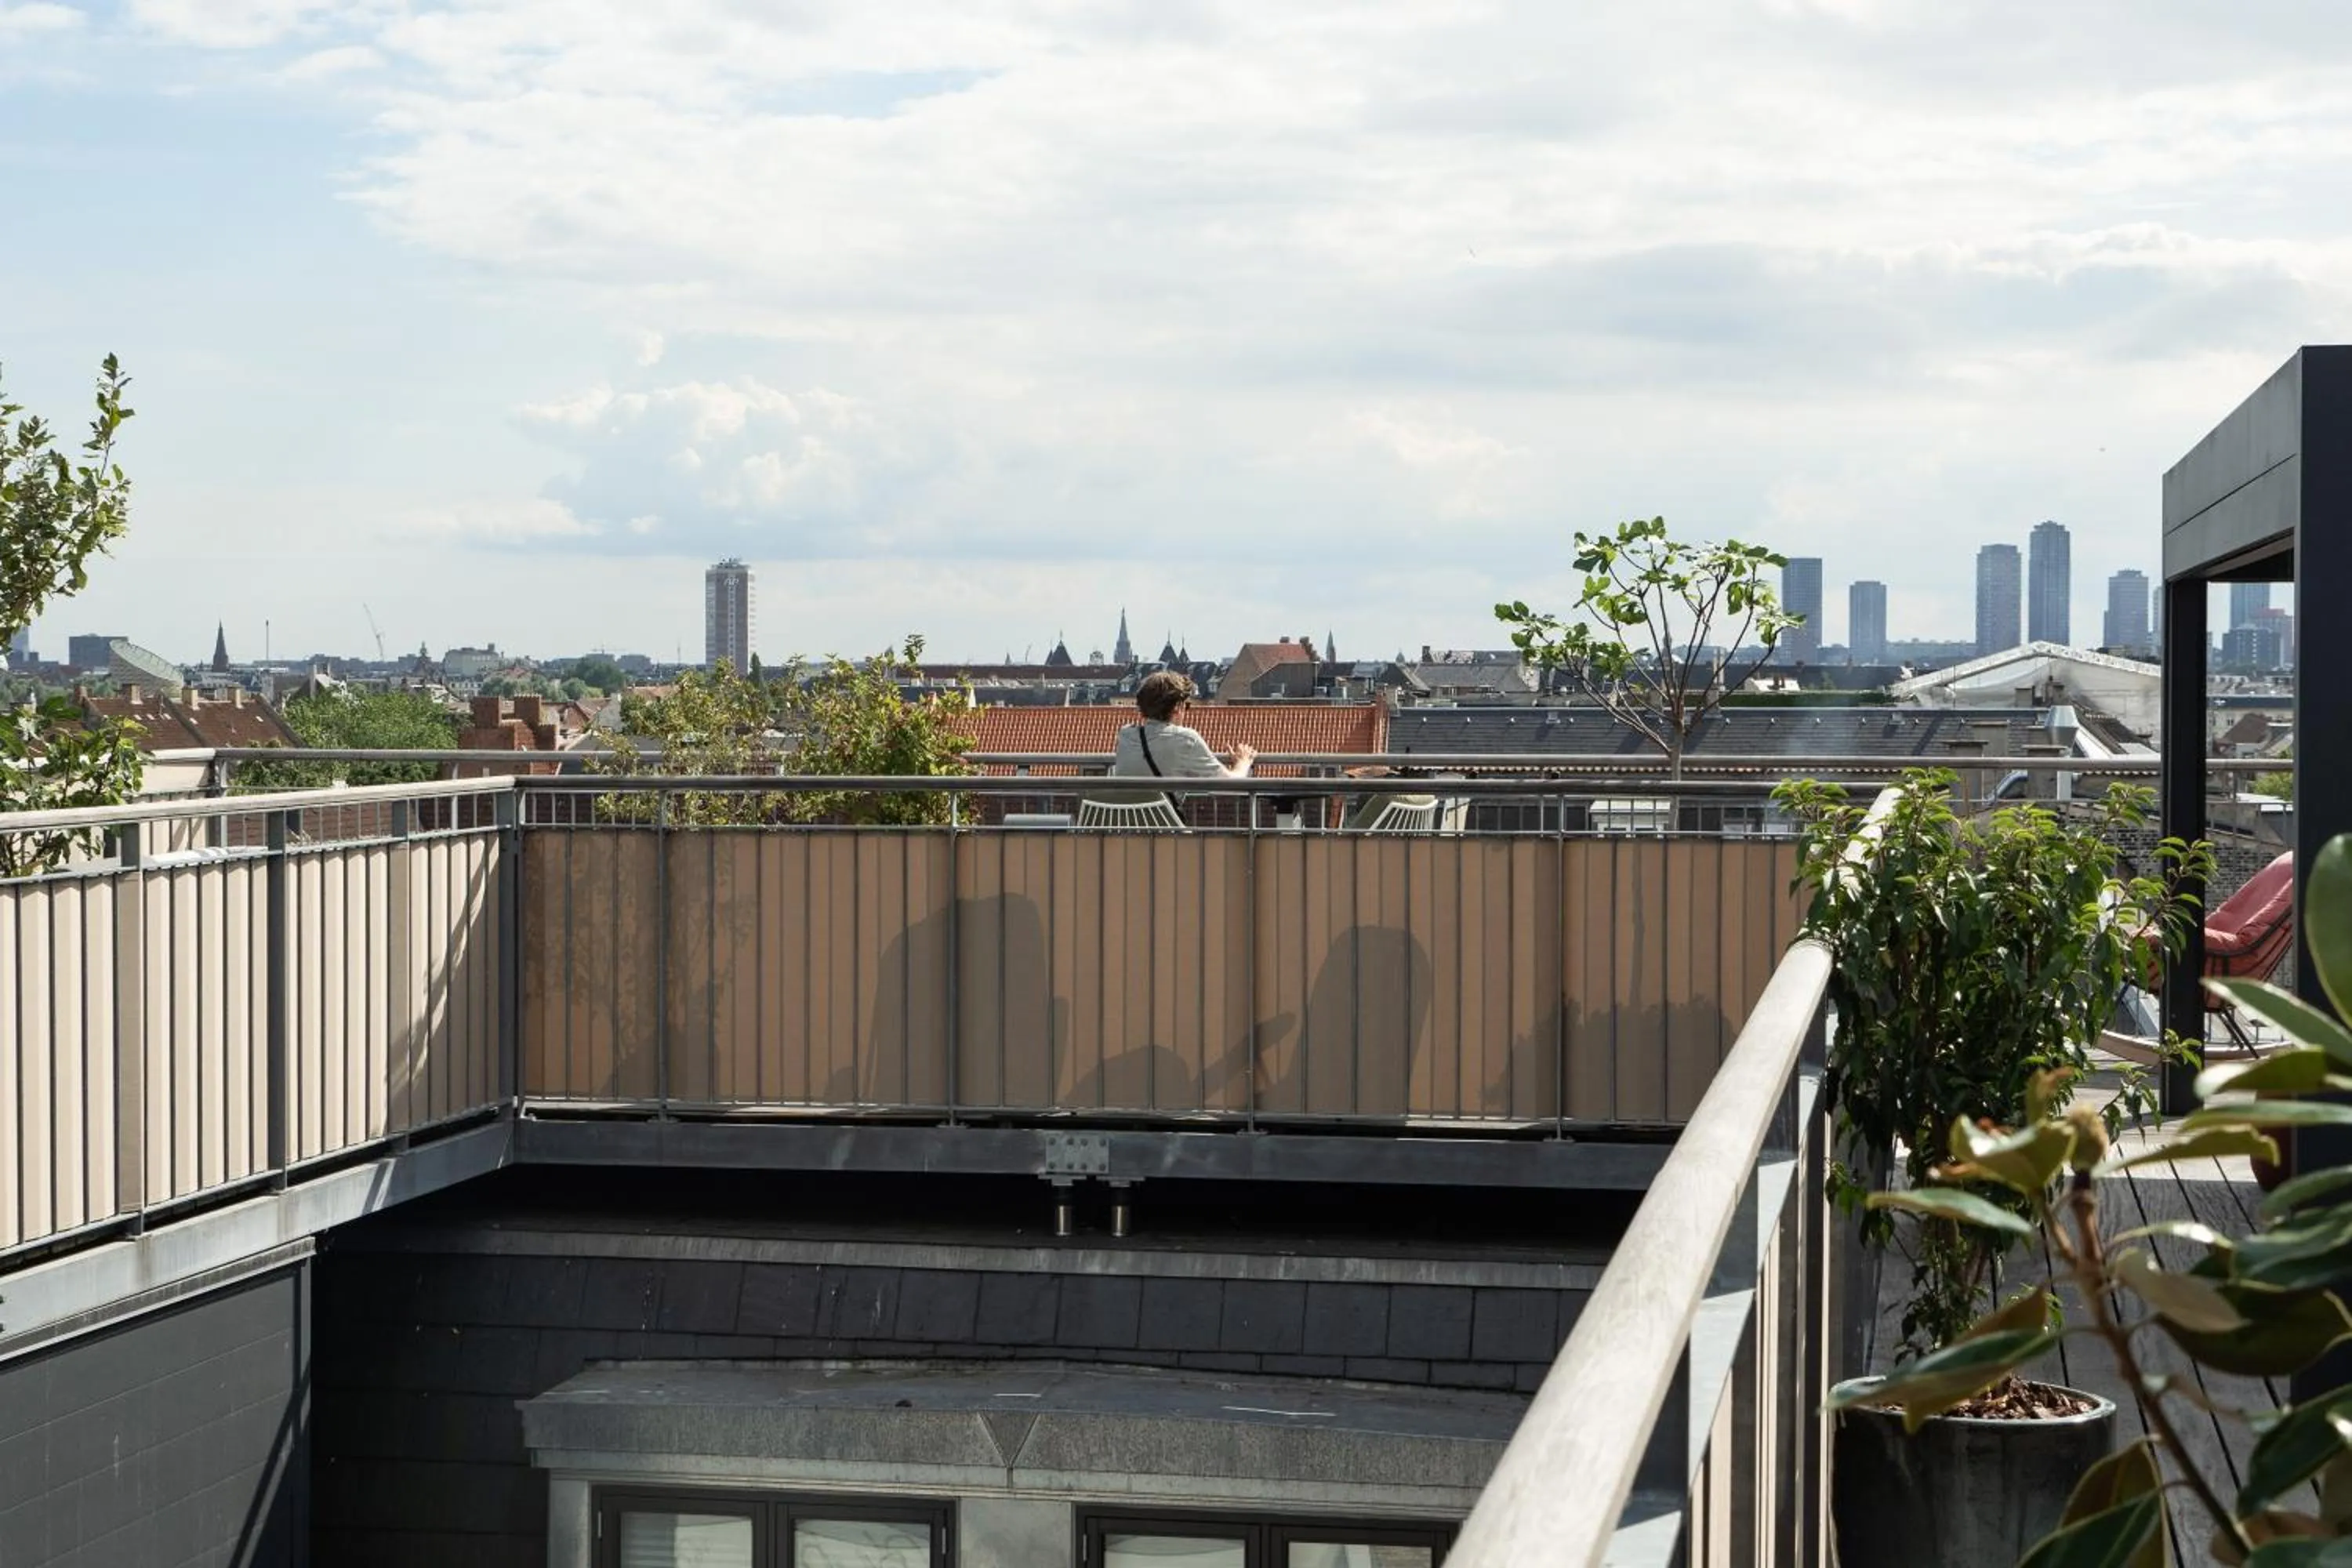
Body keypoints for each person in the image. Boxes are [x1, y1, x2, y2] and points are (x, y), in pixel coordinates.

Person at [1098, 671, 1254, 807]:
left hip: (1127, 830)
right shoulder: (1186, 739)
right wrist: (1243, 763)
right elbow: (1231, 785)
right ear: (1178, 708)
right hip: (1167, 832)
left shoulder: (1125, 735)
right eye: (1187, 706)